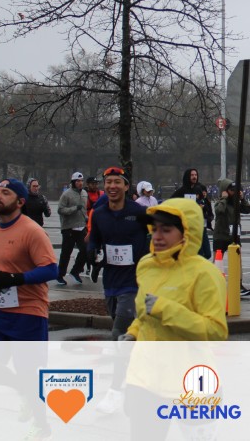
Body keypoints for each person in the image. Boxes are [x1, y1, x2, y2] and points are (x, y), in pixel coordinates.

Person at [118, 198, 228, 341]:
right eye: (154, 229)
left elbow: (216, 332)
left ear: (187, 232)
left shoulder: (205, 273)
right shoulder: (146, 265)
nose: (157, 237)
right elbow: (146, 315)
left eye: (166, 230)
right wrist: (133, 333)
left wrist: (165, 310)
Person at [87, 166, 148, 413]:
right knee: (128, 337)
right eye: (108, 182)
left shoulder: (138, 212)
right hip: (111, 283)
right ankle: (142, 377)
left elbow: (158, 233)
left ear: (125, 186)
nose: (112, 186)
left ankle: (115, 391)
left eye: (117, 182)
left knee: (118, 335)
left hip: (134, 283)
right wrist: (91, 254)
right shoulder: (99, 213)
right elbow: (94, 238)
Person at [0, 178, 58, 339]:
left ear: (20, 202)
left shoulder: (33, 231)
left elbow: (51, 270)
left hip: (29, 313)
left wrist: (15, 279)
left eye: (6, 193)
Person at [213, 179, 250, 296]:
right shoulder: (220, 202)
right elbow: (219, 211)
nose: (234, 192)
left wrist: (242, 199)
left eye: (236, 190)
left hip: (234, 235)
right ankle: (214, 284)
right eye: (232, 190)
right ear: (225, 191)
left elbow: (247, 210)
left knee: (237, 261)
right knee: (217, 261)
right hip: (221, 235)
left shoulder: (236, 203)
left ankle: (238, 285)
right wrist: (224, 198)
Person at [56, 172, 88, 286]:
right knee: (66, 253)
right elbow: (60, 210)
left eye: (81, 181)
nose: (80, 183)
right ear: (73, 182)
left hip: (81, 227)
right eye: (78, 181)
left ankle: (75, 271)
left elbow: (84, 209)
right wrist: (74, 209)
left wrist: (86, 218)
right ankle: (60, 275)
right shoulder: (66, 194)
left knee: (86, 250)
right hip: (69, 228)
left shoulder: (84, 193)